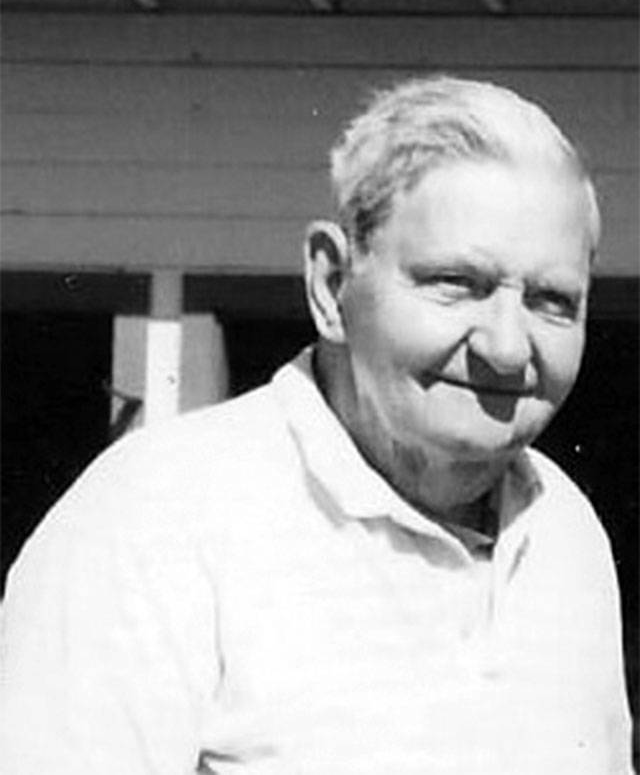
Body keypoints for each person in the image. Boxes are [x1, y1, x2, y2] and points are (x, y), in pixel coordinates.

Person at [1, 76, 633, 774]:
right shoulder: (157, 518)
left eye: (551, 301)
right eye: (456, 283)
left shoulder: (564, 531)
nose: (507, 347)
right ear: (331, 285)